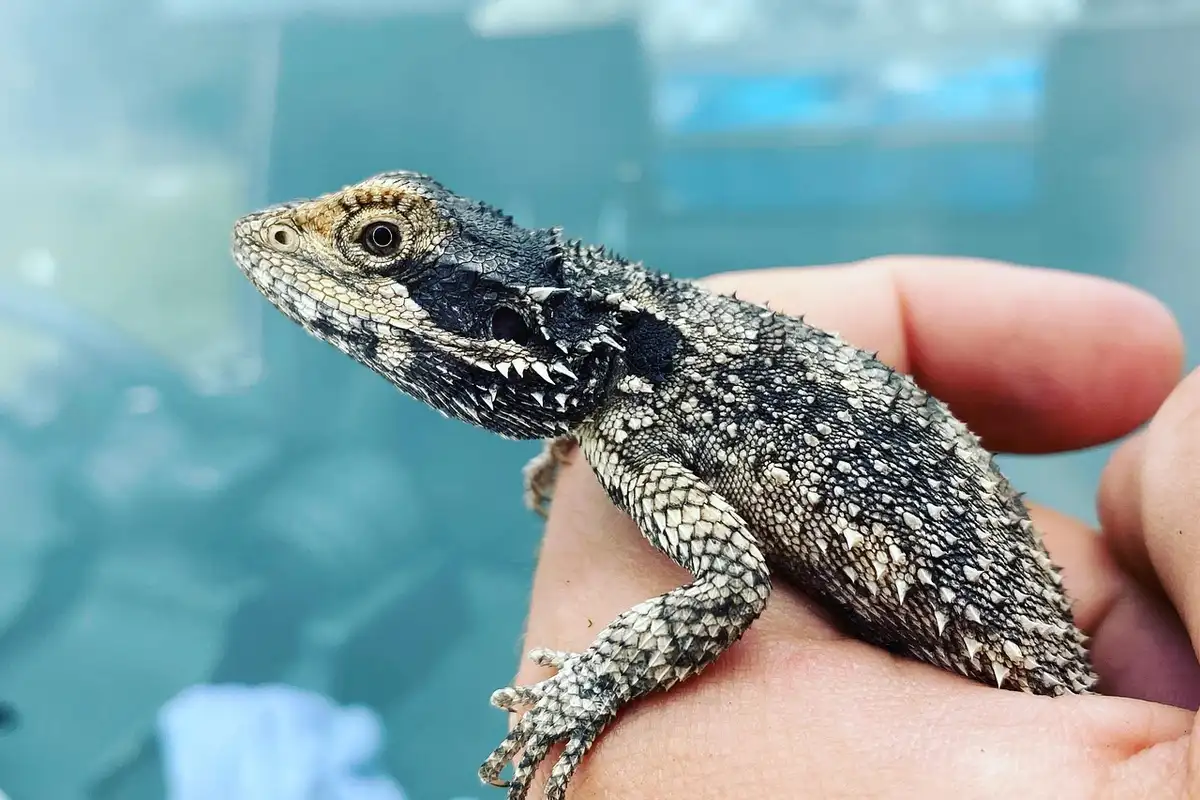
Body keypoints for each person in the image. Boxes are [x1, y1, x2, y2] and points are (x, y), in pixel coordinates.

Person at [508, 255, 1200, 798]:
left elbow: (729, 584)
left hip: (1018, 667)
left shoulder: (635, 413)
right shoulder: (623, 398)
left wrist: (590, 686)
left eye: (392, 246)